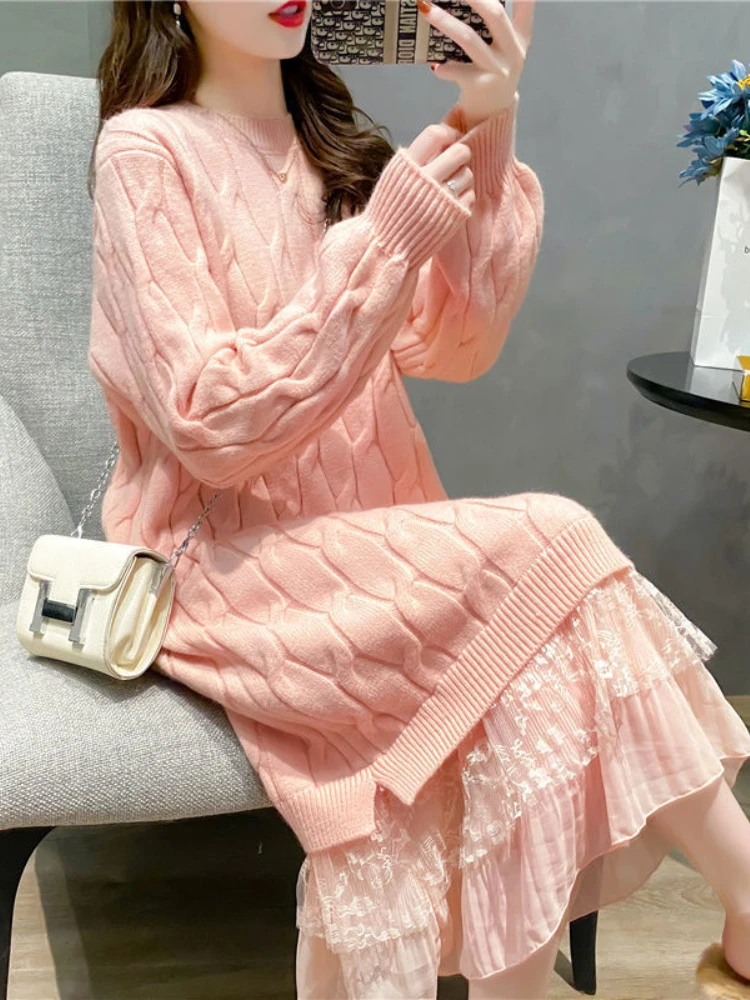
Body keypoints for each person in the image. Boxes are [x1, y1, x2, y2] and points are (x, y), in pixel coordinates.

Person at [86, 0, 750, 997]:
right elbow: (209, 423)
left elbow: (457, 344)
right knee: (553, 549)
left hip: (368, 541)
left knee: (532, 641)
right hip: (227, 567)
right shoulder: (144, 153)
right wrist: (385, 240)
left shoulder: (334, 149)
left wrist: (488, 117)